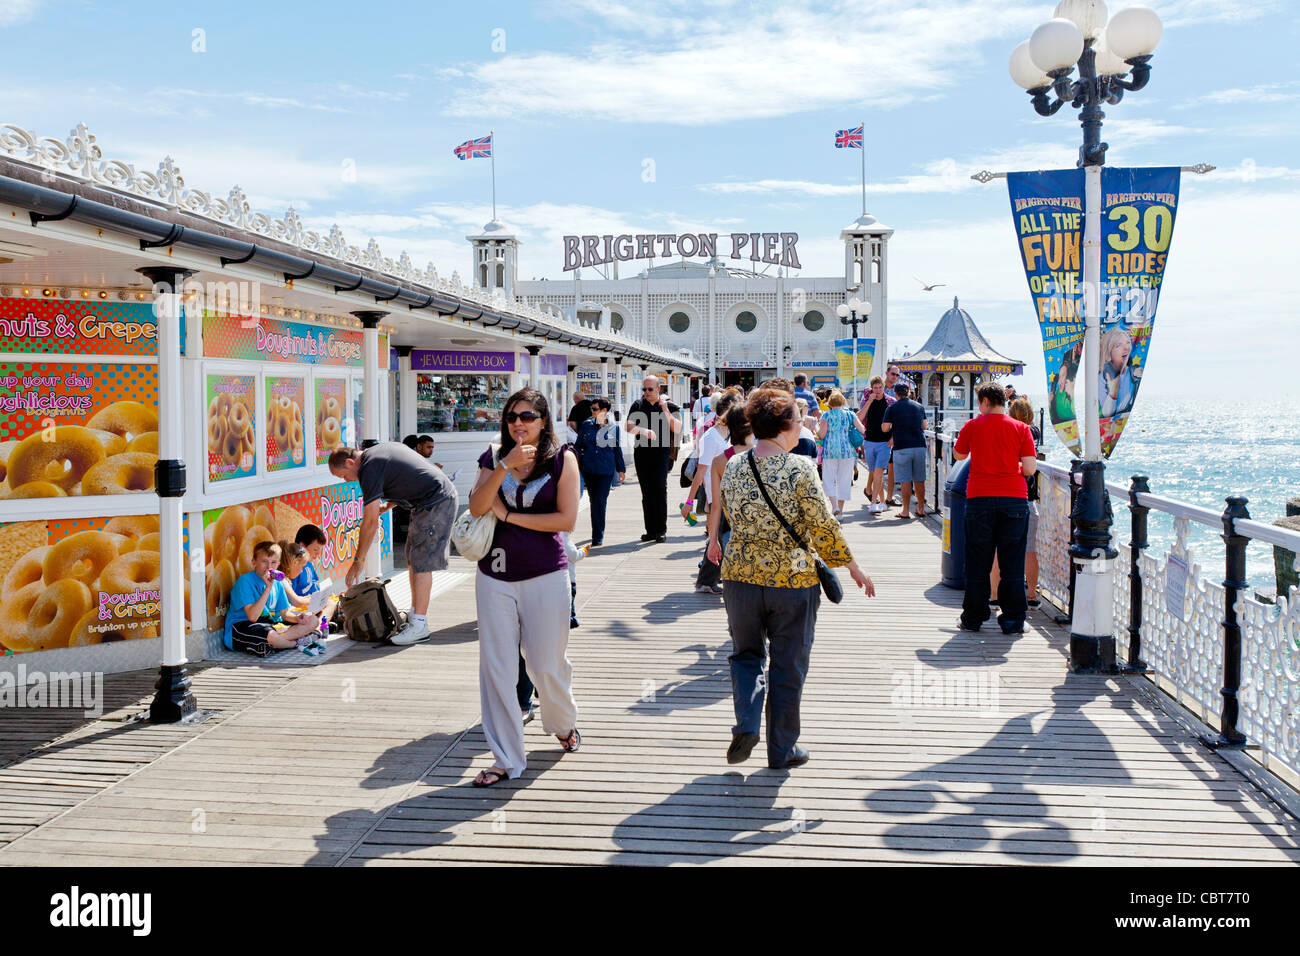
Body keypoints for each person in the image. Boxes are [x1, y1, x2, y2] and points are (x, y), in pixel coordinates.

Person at [715, 388, 874, 769]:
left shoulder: (735, 465)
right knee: (788, 664)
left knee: (746, 656)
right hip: (792, 580)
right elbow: (822, 526)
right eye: (799, 420)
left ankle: (748, 722)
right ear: (785, 426)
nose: (804, 425)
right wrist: (851, 565)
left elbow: (730, 519)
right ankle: (782, 749)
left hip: (740, 576)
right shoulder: (800, 468)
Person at [466, 387, 582, 786]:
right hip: (494, 575)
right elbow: (478, 506)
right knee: (497, 668)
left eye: (528, 416)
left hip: (547, 574)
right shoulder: (494, 453)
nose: (518, 423)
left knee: (545, 665)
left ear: (544, 420)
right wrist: (503, 465)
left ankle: (562, 723)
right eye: (512, 416)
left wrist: (510, 517)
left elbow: (565, 520)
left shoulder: (563, 458)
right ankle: (506, 759)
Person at [328, 441, 458, 645]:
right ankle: (416, 617)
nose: (346, 481)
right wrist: (388, 506)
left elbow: (370, 521)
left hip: (436, 501)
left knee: (422, 563)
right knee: (413, 560)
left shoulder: (368, 467)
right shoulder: (377, 453)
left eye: (343, 475)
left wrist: (358, 560)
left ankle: (419, 625)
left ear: (350, 462)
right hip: (428, 501)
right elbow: (409, 476)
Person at [952, 382, 1037, 635]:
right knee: (1012, 562)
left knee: (978, 561)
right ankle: (1013, 621)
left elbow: (958, 455)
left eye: (980, 403)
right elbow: (1030, 469)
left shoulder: (972, 426)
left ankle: (973, 617)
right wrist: (1013, 469)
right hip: (1014, 500)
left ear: (985, 401)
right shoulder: (1022, 428)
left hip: (979, 499)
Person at [684, 390, 741, 594]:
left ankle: (708, 580)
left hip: (730, 492)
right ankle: (708, 580)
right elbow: (701, 470)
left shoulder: (729, 434)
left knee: (720, 535)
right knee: (720, 535)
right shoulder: (710, 437)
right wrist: (689, 503)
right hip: (716, 493)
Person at [224, 540, 323, 655]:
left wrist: (298, 619)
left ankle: (279, 642)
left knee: (313, 620)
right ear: (254, 562)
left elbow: (284, 614)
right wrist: (267, 589)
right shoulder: (244, 581)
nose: (269, 567)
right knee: (271, 635)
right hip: (242, 626)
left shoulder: (278, 583)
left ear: (278, 565)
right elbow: (252, 617)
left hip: (268, 626)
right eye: (264, 562)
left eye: (273, 562)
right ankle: (294, 643)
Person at [993, 396, 1043, 607]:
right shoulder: (1035, 433)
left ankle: (994, 595)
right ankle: (1031, 595)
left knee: (997, 549)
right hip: (1028, 497)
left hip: (1005, 493)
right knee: (1028, 551)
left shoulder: (1009, 430)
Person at [625, 375, 681, 543]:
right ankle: (650, 530)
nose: (646, 392)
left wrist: (665, 410)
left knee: (659, 490)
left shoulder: (669, 406)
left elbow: (677, 428)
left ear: (658, 389)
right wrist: (643, 431)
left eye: (650, 389)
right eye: (644, 389)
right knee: (646, 492)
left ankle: (661, 530)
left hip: (661, 453)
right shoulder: (638, 405)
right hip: (642, 453)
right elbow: (628, 427)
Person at [574, 397, 625, 546]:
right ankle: (596, 530)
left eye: (595, 409)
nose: (592, 411)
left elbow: (617, 449)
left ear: (604, 410)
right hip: (589, 468)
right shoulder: (586, 425)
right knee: (593, 500)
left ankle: (598, 535)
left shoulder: (613, 428)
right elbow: (578, 446)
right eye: (592, 408)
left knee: (600, 501)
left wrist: (621, 469)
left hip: (606, 470)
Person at [881, 380, 929, 519]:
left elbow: (885, 428)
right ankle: (921, 508)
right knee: (919, 479)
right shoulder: (919, 407)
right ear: (908, 393)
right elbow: (924, 426)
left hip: (902, 447)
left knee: (905, 480)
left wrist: (893, 426)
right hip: (919, 446)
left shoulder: (892, 408)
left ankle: (906, 510)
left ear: (896, 393)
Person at [816, 390, 864, 516]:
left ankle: (834, 506)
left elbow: (822, 434)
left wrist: (817, 431)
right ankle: (841, 512)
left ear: (830, 402)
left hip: (830, 451)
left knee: (829, 479)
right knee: (844, 480)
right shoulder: (850, 415)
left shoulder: (826, 416)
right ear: (843, 401)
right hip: (847, 452)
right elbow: (862, 429)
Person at [858, 377, 892, 514]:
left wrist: (893, 438)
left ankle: (873, 503)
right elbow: (859, 418)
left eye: (880, 388)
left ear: (884, 387)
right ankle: (882, 502)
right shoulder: (867, 401)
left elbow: (897, 422)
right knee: (875, 472)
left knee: (878, 471)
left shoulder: (890, 402)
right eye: (875, 388)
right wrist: (869, 401)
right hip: (870, 442)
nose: (877, 391)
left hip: (884, 443)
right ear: (872, 388)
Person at [1099, 325, 1138, 418]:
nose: (1126, 348)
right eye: (1118, 345)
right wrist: (1113, 392)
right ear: (1109, 353)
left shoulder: (1133, 373)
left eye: (1128, 343)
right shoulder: (1101, 379)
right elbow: (1107, 414)